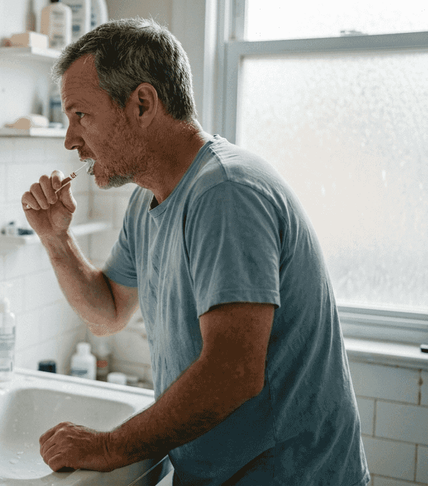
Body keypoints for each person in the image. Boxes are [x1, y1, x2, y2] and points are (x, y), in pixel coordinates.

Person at [22, 18, 369, 485]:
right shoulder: (147, 201)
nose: (70, 138)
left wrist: (108, 446)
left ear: (142, 103)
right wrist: (56, 239)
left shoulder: (226, 193)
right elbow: (107, 315)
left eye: (81, 115)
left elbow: (234, 371)